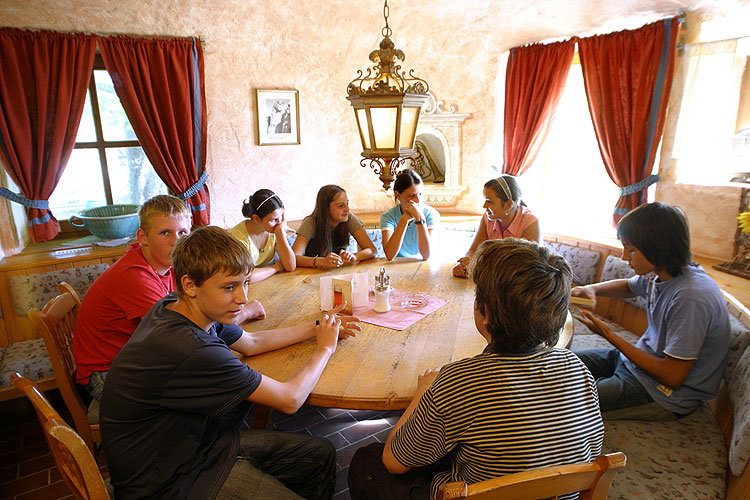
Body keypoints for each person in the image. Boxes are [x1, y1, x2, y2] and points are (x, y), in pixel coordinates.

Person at [101, 226, 362, 500]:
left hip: (198, 445)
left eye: (245, 282)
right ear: (190, 285)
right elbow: (291, 399)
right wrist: (325, 348)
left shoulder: (177, 305)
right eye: (229, 287)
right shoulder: (190, 348)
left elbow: (251, 343)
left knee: (319, 455)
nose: (243, 298)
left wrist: (317, 327)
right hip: (168, 482)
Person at [348, 238, 604, 500]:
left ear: (486, 313)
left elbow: (393, 461)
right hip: (558, 493)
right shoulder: (577, 367)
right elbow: (592, 449)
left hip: (470, 493)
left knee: (367, 461)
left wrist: (423, 393)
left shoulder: (460, 382)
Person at [72, 195, 265, 400]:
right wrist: (244, 312)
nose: (176, 241)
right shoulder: (134, 277)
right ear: (143, 237)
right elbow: (179, 334)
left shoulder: (168, 266)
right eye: (165, 233)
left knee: (228, 372)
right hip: (106, 374)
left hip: (141, 361)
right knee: (221, 383)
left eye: (182, 232)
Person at [572, 202, 730, 421]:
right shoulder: (661, 272)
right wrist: (592, 289)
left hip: (662, 393)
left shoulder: (691, 296)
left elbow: (672, 376)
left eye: (632, 249)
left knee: (566, 400)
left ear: (660, 248)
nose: (625, 258)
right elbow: (629, 286)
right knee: (559, 363)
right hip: (634, 364)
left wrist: (608, 335)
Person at [453, 174, 541, 278]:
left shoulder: (530, 222)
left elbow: (527, 266)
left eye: (489, 201)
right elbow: (473, 250)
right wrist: (465, 262)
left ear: (509, 204)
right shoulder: (488, 218)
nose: (484, 206)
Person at [293, 184, 376, 269]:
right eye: (341, 206)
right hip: (310, 274)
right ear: (326, 208)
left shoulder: (348, 217)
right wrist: (322, 261)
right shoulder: (311, 222)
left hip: (338, 272)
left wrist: (354, 256)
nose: (347, 209)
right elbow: (294, 258)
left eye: (347, 203)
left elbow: (372, 250)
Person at [230, 189, 296, 282]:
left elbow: (290, 266)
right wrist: (276, 267)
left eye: (280, 217)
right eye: (273, 220)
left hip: (265, 281)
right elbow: (246, 277)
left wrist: (280, 233)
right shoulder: (238, 238)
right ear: (256, 218)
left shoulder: (276, 230)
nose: (279, 223)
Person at [380, 170, 439, 260]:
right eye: (411, 195)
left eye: (420, 194)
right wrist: (404, 219)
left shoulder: (431, 214)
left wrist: (420, 219)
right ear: (398, 195)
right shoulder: (388, 217)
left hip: (424, 264)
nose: (418, 200)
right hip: (398, 264)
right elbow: (389, 254)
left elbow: (427, 255)